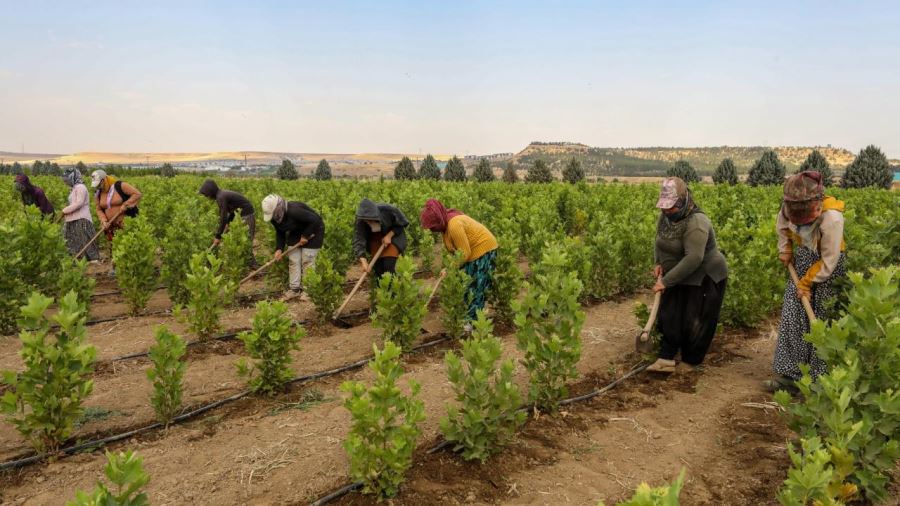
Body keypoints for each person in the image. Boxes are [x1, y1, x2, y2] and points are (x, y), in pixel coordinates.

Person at [766, 171, 846, 393]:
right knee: (793, 314)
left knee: (822, 319)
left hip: (827, 267)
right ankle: (792, 377)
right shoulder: (788, 208)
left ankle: (821, 382)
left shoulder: (832, 218)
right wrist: (786, 248)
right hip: (802, 261)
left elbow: (829, 261)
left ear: (817, 204)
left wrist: (806, 283)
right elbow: (782, 225)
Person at [648, 177, 728, 373]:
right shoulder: (665, 217)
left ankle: (691, 361)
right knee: (670, 314)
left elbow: (694, 258)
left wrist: (665, 282)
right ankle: (666, 357)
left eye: (671, 208)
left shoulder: (697, 221)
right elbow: (660, 241)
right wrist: (658, 262)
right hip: (679, 272)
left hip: (705, 275)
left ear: (683, 202)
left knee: (695, 320)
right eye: (664, 208)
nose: (667, 212)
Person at [420, 199, 498, 329]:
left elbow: (464, 253)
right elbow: (458, 252)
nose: (432, 229)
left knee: (476, 286)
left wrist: (450, 268)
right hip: (471, 253)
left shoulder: (454, 225)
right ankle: (470, 316)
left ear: (438, 221)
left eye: (433, 226)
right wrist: (449, 267)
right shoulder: (446, 225)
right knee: (466, 285)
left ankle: (472, 323)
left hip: (484, 250)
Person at [261, 194, 325, 301]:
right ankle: (294, 289)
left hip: (314, 229)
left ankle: (308, 291)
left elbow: (315, 220)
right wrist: (279, 249)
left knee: (307, 260)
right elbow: (280, 232)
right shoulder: (274, 217)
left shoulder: (294, 211)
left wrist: (305, 235)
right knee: (293, 259)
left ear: (278, 207)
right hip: (296, 231)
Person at [198, 179, 257, 267]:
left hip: (246, 215)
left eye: (206, 194)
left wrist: (218, 236)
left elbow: (223, 217)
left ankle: (254, 266)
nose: (206, 197)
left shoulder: (221, 197)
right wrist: (228, 223)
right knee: (241, 241)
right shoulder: (221, 195)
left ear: (210, 192)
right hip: (241, 215)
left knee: (246, 241)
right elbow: (234, 210)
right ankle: (247, 264)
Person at [352, 198, 409, 279]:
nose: (368, 222)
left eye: (370, 220)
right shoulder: (360, 219)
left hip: (392, 236)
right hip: (374, 239)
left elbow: (403, 223)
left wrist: (389, 235)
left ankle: (393, 290)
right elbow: (359, 239)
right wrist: (363, 261)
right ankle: (383, 290)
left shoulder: (388, 210)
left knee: (388, 266)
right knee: (378, 269)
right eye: (366, 221)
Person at [91, 169, 142, 242]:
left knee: (128, 246)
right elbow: (98, 209)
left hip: (126, 225)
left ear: (103, 180)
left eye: (99, 184)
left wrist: (126, 204)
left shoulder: (120, 186)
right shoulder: (98, 194)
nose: (97, 187)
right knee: (114, 248)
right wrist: (103, 221)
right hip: (111, 227)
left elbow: (137, 194)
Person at [60, 168, 100, 261]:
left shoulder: (81, 187)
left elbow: (79, 203)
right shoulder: (74, 188)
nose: (66, 182)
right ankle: (77, 258)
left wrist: (64, 211)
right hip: (72, 218)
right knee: (71, 239)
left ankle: (93, 259)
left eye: (67, 180)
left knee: (85, 239)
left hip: (81, 218)